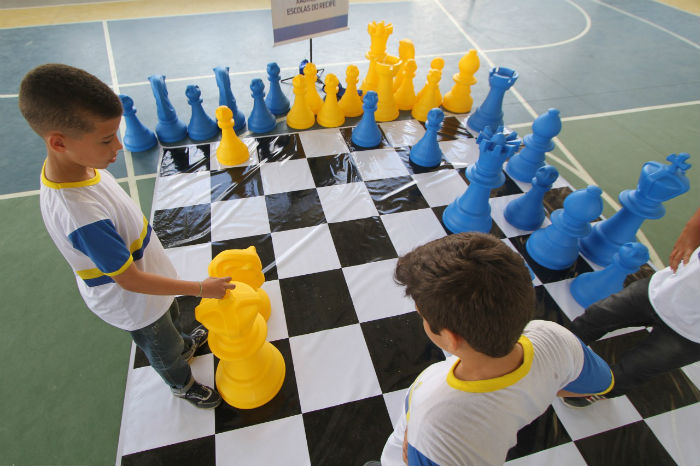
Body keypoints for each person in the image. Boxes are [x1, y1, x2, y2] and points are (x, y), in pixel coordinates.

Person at [18, 63, 236, 409]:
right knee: (161, 346)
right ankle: (181, 383)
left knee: (172, 316)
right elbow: (131, 281)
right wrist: (200, 289)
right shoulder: (80, 214)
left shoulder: (80, 166)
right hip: (135, 303)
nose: (118, 146)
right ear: (58, 142)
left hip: (152, 280)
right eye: (106, 140)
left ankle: (184, 342)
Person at [374, 232, 613, 466]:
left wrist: (415, 439)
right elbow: (601, 383)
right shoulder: (554, 337)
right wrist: (540, 387)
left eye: (422, 316)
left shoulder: (434, 418)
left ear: (449, 338)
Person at [563, 207, 700, 407]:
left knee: (631, 371)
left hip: (690, 335)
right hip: (660, 291)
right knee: (595, 317)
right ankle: (554, 350)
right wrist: (692, 228)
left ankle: (594, 392)